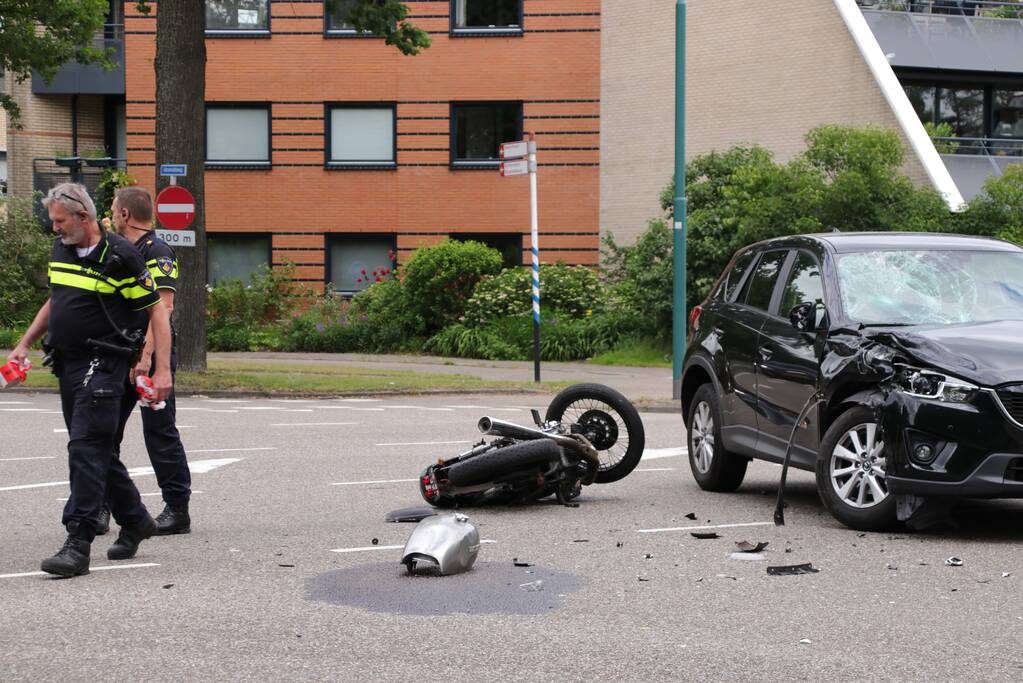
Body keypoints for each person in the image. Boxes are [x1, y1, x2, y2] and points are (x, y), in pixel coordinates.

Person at [7, 183, 173, 578]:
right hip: (67, 362)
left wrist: (160, 367)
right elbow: (56, 299)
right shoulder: (63, 249)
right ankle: (135, 518)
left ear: (84, 217)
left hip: (106, 360)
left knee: (85, 446)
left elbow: (158, 313)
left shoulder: (122, 256)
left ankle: (77, 541)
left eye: (60, 222)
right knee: (95, 449)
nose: (55, 229)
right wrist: (23, 343)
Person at [105, 186, 192, 535]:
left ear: (125, 214)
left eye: (113, 209)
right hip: (121, 354)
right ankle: (98, 508)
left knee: (159, 432)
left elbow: (164, 307)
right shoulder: (118, 250)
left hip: (149, 357)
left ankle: (176, 508)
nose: (110, 216)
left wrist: (148, 357)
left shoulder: (156, 250)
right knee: (103, 432)